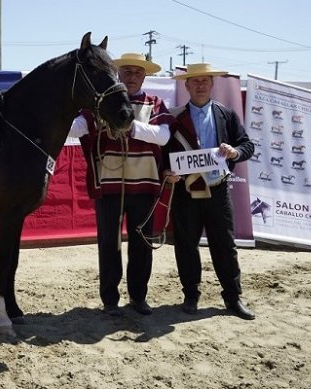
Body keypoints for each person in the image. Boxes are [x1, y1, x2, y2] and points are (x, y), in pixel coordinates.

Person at [69, 53, 175, 316]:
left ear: (144, 76)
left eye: (137, 72)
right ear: (118, 74)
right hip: (109, 185)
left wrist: (131, 127)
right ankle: (110, 300)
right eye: (126, 72)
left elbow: (163, 137)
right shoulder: (101, 104)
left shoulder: (155, 103)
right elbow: (77, 128)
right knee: (109, 243)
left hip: (145, 185)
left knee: (142, 242)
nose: (131, 77)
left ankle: (139, 297)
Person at [162, 63, 256, 320]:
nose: (201, 85)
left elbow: (247, 144)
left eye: (205, 81)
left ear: (212, 84)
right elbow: (162, 154)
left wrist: (235, 152)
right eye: (195, 81)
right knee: (186, 245)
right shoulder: (173, 117)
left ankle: (233, 297)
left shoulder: (227, 115)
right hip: (186, 192)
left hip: (218, 190)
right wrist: (166, 173)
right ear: (187, 85)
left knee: (225, 244)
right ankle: (191, 294)